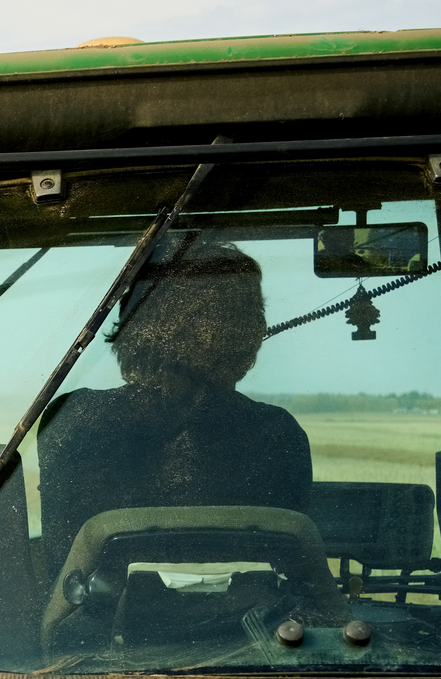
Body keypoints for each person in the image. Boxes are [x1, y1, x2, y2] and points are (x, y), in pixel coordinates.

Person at [34, 236, 312, 562]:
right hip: (252, 611)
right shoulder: (278, 432)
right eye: (246, 315)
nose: (254, 328)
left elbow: (62, 566)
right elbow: (293, 568)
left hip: (103, 610)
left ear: (138, 326)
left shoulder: (76, 416)